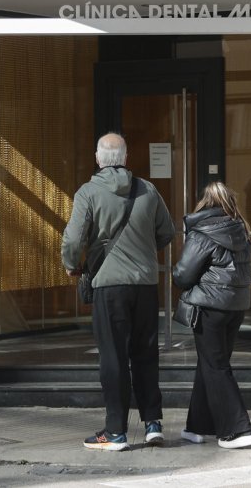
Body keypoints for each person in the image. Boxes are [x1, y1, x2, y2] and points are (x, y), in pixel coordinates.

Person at [62, 132, 175, 451]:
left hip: (109, 286)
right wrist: (142, 251)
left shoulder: (88, 192)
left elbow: (73, 240)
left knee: (113, 357)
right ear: (126, 159)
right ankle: (153, 424)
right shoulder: (148, 189)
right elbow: (166, 232)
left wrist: (71, 264)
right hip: (145, 285)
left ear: (98, 159)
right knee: (146, 354)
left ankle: (115, 432)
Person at [172, 182, 251, 449]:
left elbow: (183, 275)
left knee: (216, 366)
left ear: (204, 203)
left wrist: (177, 275)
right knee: (209, 364)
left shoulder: (202, 232)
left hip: (209, 308)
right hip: (236, 307)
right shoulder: (241, 230)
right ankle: (197, 427)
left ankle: (237, 430)